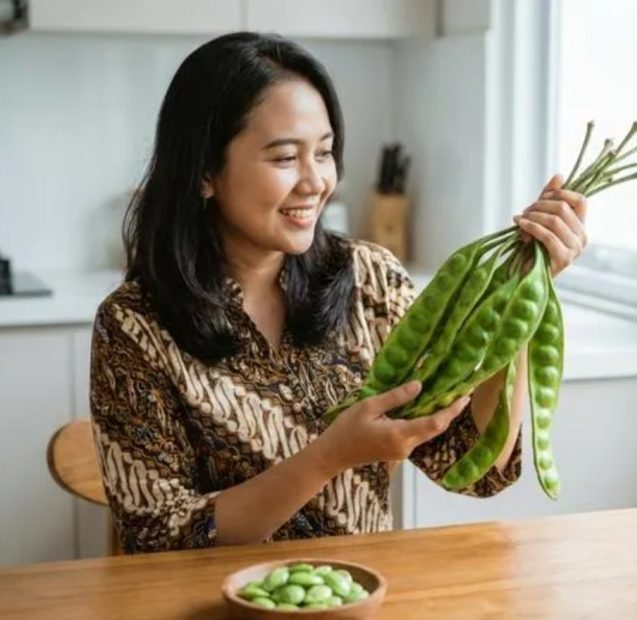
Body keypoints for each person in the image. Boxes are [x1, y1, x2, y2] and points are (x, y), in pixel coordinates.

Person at [89, 32, 589, 554]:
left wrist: (522, 293)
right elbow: (159, 539)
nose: (316, 182)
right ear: (206, 172)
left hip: (355, 599)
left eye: (324, 153)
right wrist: (329, 456)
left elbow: (473, 469)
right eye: (284, 158)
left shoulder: (368, 279)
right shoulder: (134, 326)